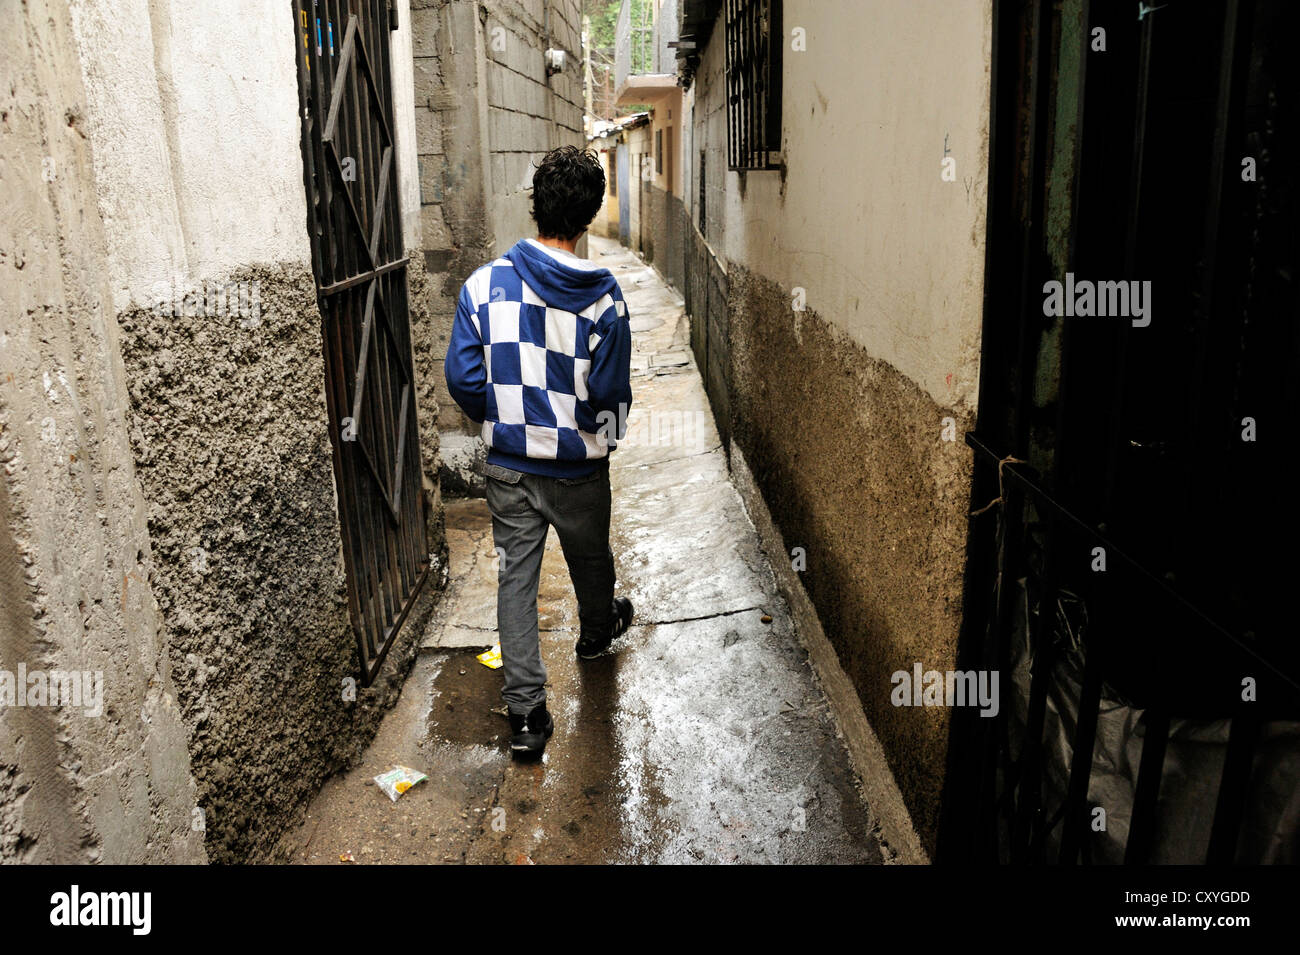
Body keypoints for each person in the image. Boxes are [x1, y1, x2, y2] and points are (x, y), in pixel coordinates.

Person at [444, 145, 634, 757]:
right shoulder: (606, 300)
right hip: (579, 468)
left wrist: (502, 415)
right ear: (588, 217)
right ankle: (595, 635)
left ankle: (527, 716)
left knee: (515, 583)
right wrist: (600, 430)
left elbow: (465, 380)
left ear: (534, 206)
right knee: (591, 559)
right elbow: (609, 394)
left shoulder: (482, 286)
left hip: (508, 467)